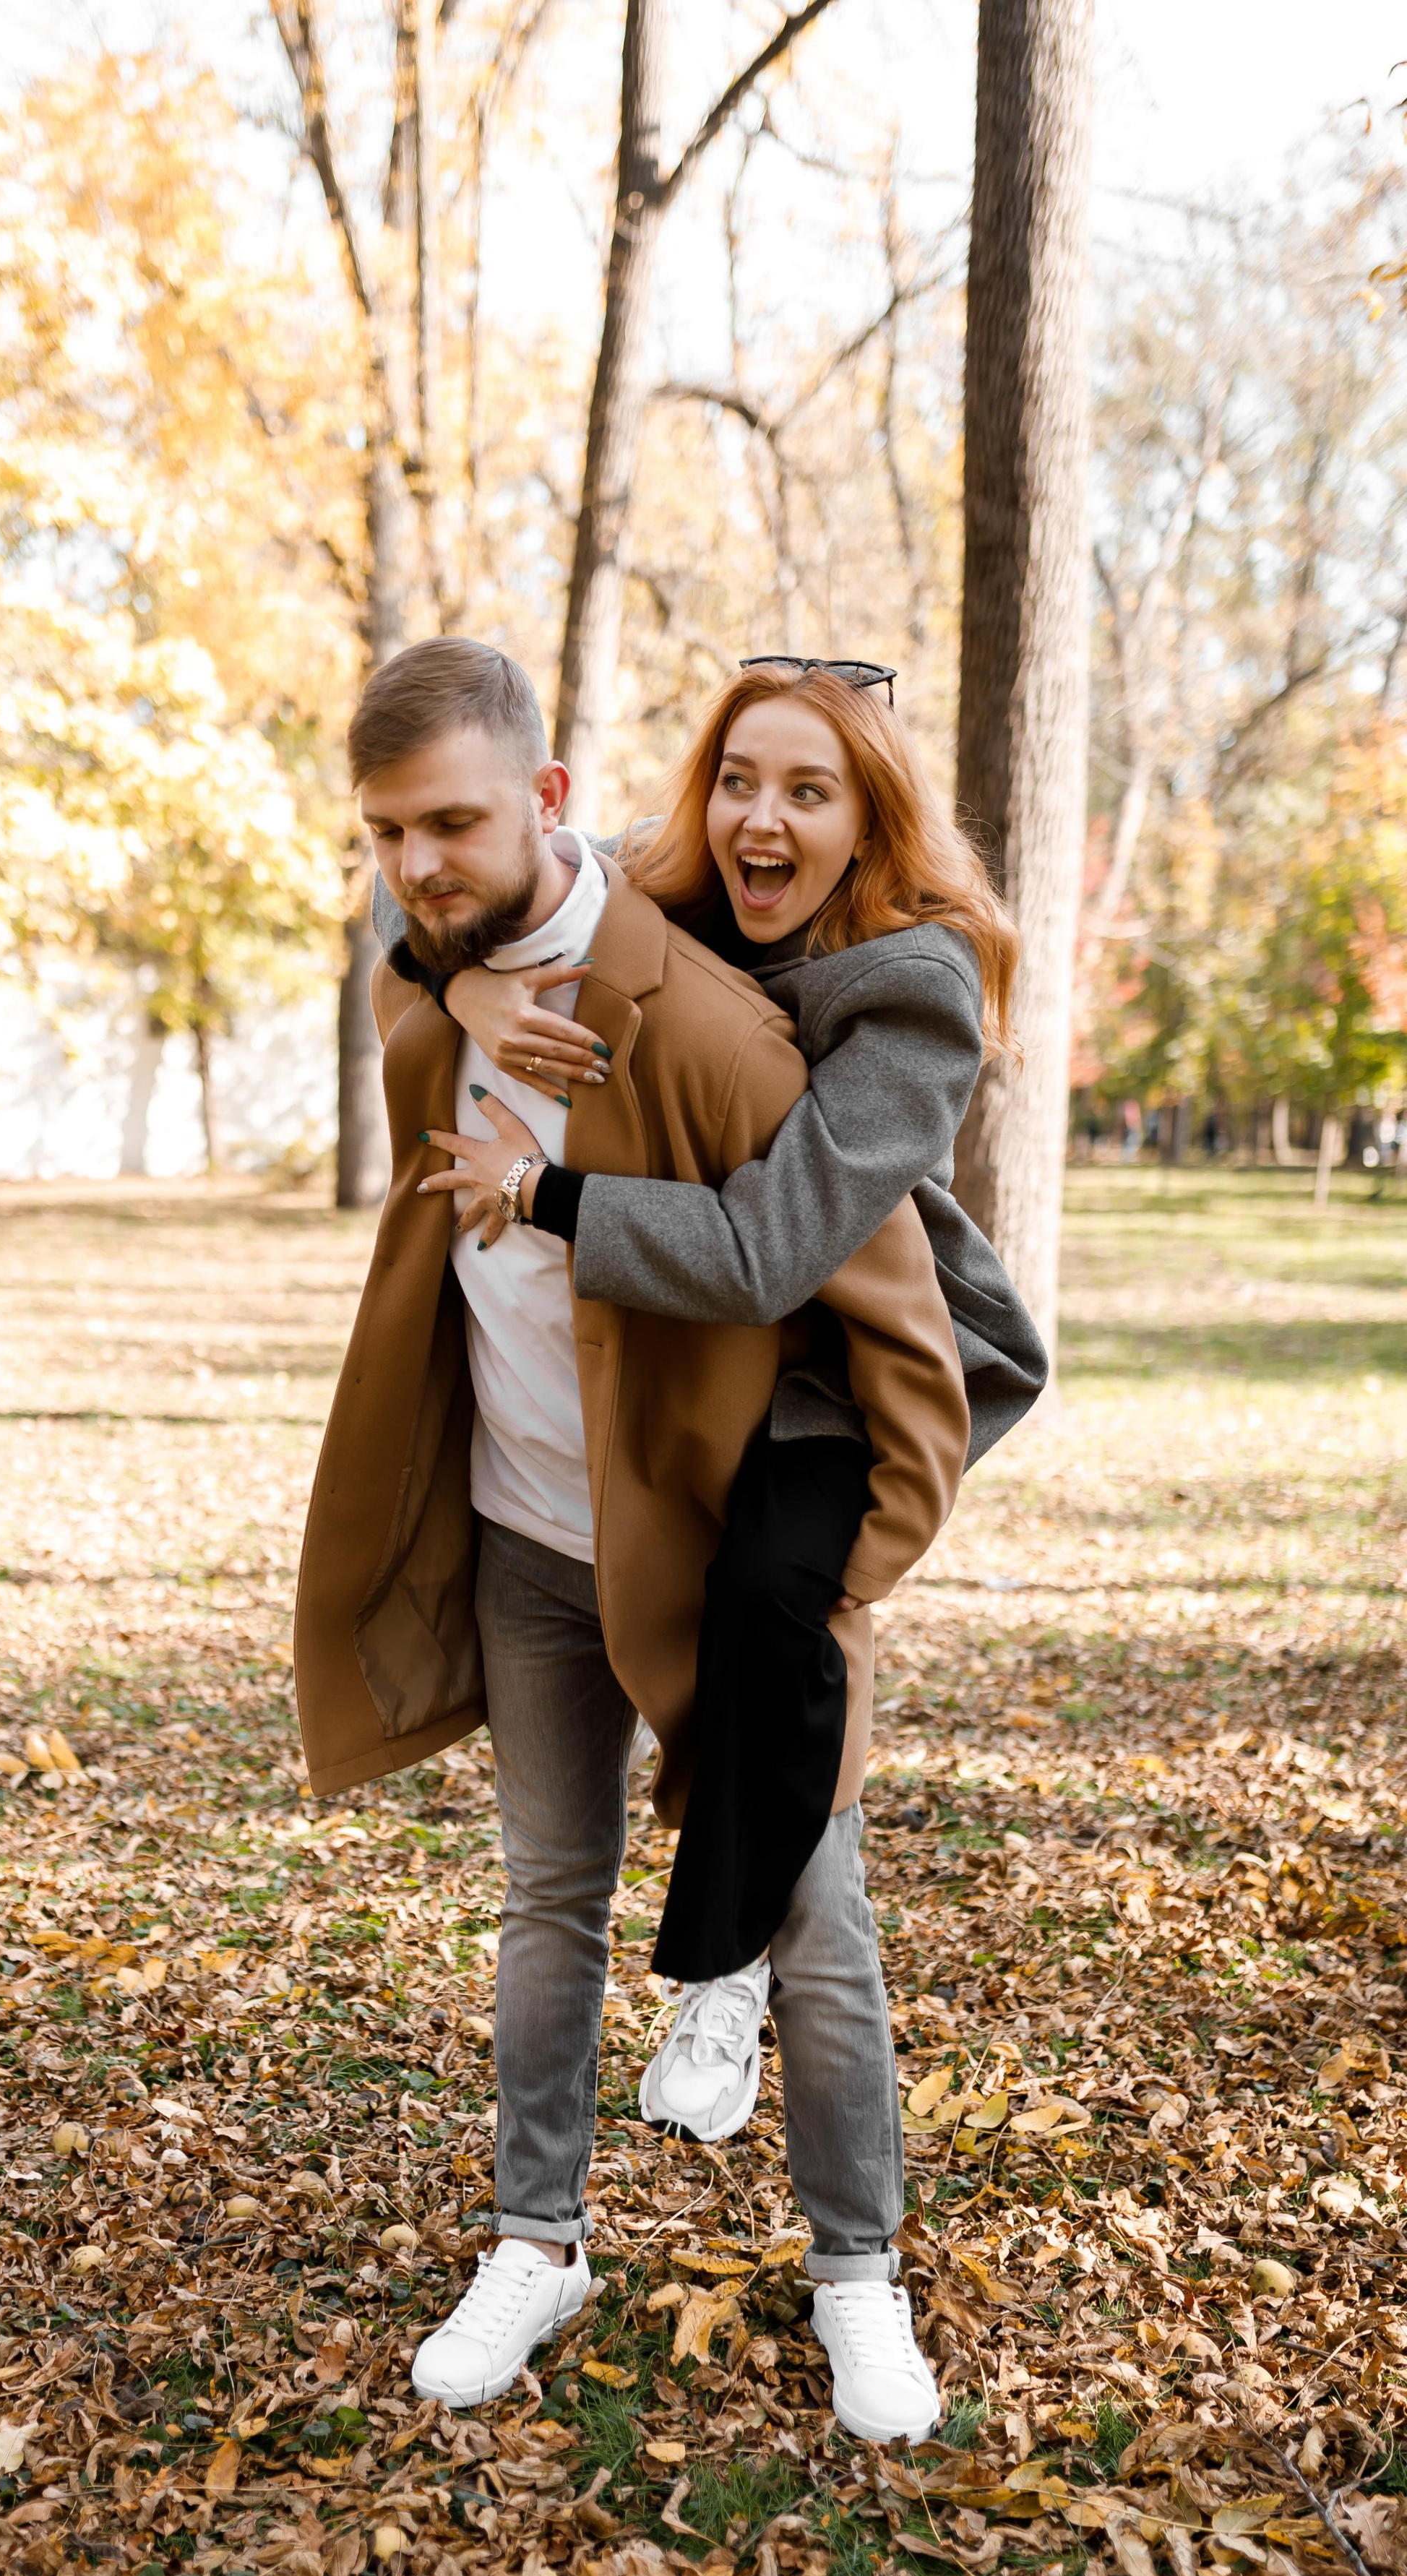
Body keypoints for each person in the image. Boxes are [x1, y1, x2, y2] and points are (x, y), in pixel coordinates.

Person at [294, 638, 970, 2443]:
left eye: (451, 821)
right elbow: (398, 994)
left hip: (720, 1559)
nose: (419, 862)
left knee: (812, 1927)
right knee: (541, 1900)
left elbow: (899, 1337)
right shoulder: (426, 979)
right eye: (386, 832)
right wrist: (448, 1017)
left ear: (547, 799)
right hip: (520, 1536)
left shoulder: (706, 1024)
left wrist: (846, 1574)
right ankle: (538, 2240)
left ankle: (856, 2280)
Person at [374, 658, 1045, 2148]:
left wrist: (540, 1191)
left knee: (772, 1598)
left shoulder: (911, 989)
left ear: (863, 823)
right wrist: (471, 985)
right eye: (737, 780)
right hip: (688, 1348)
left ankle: (723, 1960)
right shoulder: (662, 884)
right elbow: (436, 869)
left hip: (823, 1361)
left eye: (805, 792)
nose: (759, 818)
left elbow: (761, 1253)